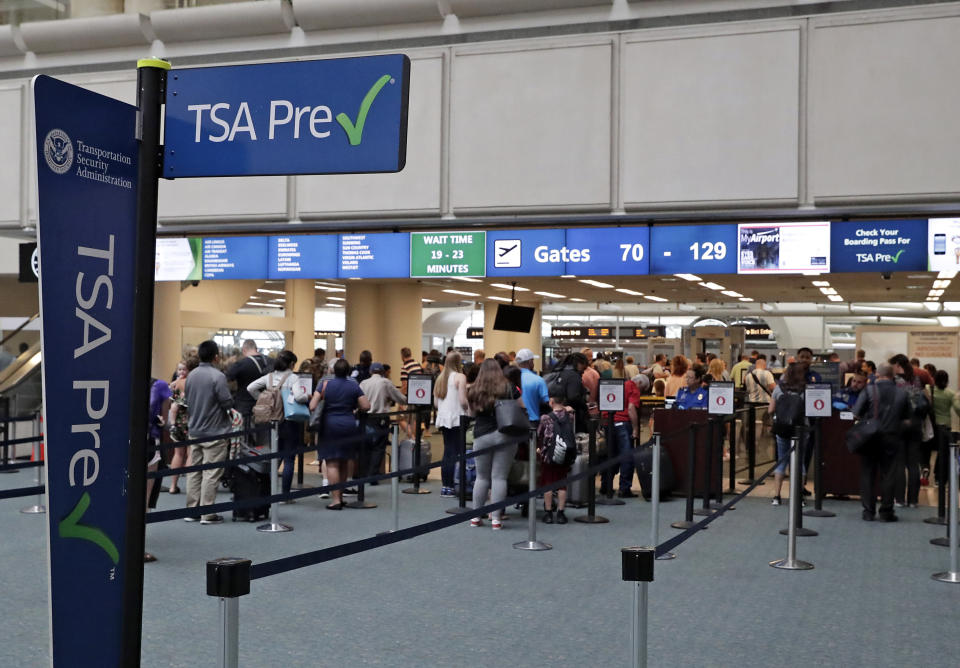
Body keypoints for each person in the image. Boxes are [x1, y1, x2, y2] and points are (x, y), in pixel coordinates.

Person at [467, 359, 523, 530]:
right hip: (504, 434)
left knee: (482, 477)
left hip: (482, 435)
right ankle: (496, 519)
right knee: (499, 477)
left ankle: (476, 517)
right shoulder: (509, 387)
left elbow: (471, 413)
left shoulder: (473, 389)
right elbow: (522, 406)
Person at [183, 340, 234, 524]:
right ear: (216, 356)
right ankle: (207, 513)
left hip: (195, 430)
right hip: (215, 432)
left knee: (194, 472)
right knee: (211, 473)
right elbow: (227, 402)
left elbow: (187, 399)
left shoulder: (191, 375)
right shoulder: (218, 376)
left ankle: (192, 510)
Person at [247, 350, 309, 497]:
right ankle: (285, 495)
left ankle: (270, 491)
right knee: (289, 459)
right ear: (292, 364)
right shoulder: (292, 377)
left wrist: (262, 399)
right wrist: (308, 396)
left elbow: (250, 388)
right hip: (289, 421)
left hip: (272, 421)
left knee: (275, 457)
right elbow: (299, 397)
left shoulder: (269, 377)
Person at [309, 359, 370, 509]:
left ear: (333, 371)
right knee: (343, 461)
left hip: (329, 425)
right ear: (348, 371)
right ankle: (341, 497)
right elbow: (366, 406)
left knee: (332, 462)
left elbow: (312, 406)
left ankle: (335, 500)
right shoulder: (353, 385)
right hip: (349, 424)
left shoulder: (325, 384)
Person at [852, 364, 910, 522]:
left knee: (867, 474)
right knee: (889, 475)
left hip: (870, 438)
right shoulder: (902, 393)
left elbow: (856, 414)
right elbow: (907, 419)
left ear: (877, 374)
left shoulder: (869, 390)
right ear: (893, 375)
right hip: (891, 438)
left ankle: (868, 512)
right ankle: (886, 512)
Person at [890, 353, 930, 507]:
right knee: (913, 464)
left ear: (898, 365)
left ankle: (899, 499)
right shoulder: (916, 379)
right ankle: (913, 500)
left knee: (899, 463)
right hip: (916, 423)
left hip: (900, 423)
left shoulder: (895, 381)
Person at [768, 363, 806, 506]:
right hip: (800, 429)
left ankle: (777, 496)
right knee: (799, 462)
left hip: (782, 428)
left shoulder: (779, 388)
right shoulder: (804, 389)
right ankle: (799, 497)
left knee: (781, 462)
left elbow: (771, 410)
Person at [601, 368, 642, 499]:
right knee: (627, 457)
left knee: (610, 456)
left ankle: (605, 486)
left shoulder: (610, 385)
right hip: (623, 424)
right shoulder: (632, 386)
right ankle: (624, 489)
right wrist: (635, 428)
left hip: (608, 423)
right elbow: (631, 408)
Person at [433, 352, 469, 498]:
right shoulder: (460, 377)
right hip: (457, 419)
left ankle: (446, 486)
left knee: (447, 451)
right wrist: (468, 407)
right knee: (458, 452)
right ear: (458, 362)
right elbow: (463, 401)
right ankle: (456, 484)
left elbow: (436, 403)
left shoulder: (440, 378)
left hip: (444, 419)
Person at [538, 389, 575, 524]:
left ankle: (548, 513)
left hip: (549, 454)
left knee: (547, 482)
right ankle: (561, 513)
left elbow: (540, 435)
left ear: (551, 402)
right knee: (562, 483)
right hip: (564, 453)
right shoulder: (570, 416)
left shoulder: (545, 418)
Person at [167, 355, 200, 495]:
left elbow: (172, 401)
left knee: (178, 453)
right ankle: (189, 486)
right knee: (190, 453)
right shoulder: (192, 382)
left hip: (178, 421)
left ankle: (173, 486)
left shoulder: (176, 383)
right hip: (191, 420)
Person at [225, 339, 273, 431]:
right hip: (266, 406)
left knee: (243, 435)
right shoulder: (271, 362)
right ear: (256, 348)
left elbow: (227, 378)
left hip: (244, 405)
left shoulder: (241, 364)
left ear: (244, 350)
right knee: (264, 434)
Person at [930, 370, 960, 490]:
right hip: (945, 426)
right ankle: (941, 478)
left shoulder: (929, 389)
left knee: (930, 452)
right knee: (944, 453)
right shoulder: (950, 393)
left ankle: (929, 473)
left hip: (932, 425)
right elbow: (958, 408)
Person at [516, 348, 549, 426]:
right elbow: (547, 402)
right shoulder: (538, 380)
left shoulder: (510, 378)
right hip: (532, 422)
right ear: (530, 362)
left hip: (514, 422)